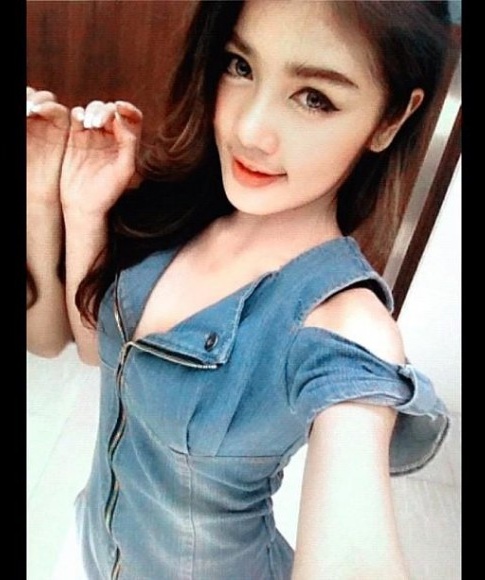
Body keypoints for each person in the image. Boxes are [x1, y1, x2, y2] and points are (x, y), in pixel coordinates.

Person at [27, 1, 453, 578]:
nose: (249, 130)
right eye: (240, 66)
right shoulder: (174, 214)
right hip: (91, 550)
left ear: (391, 120)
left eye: (314, 98)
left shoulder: (342, 326)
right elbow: (79, 347)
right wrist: (61, 202)